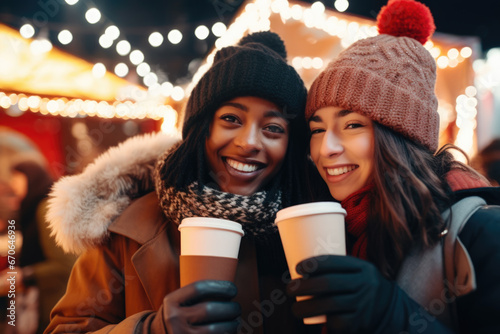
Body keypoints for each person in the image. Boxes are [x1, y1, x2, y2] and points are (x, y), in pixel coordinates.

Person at [44, 31, 314, 333]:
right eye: (231, 119)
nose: (249, 142)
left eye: (273, 127)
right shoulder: (127, 229)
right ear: (202, 129)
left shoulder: (315, 225)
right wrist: (150, 329)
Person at [287, 0, 500, 333]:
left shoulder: (481, 232)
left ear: (402, 137)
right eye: (317, 129)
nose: (325, 148)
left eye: (353, 125)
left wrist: (389, 312)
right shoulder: (329, 228)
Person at [0, 127, 77, 334]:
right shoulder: (30, 210)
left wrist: (25, 275)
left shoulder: (44, 209)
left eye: (18, 178)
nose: (14, 185)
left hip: (52, 303)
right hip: (41, 301)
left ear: (31, 178)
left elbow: (64, 264)